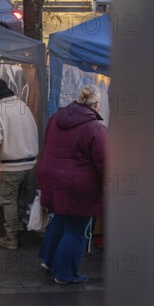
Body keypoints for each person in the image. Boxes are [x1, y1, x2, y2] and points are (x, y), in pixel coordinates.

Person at [38, 85, 107, 284]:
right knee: (76, 230)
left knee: (60, 220)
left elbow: (48, 144)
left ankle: (49, 261)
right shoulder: (95, 128)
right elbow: (105, 161)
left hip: (52, 178)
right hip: (79, 185)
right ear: (96, 104)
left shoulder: (55, 118)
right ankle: (65, 274)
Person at [0, 79, 39, 250]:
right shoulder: (23, 106)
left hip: (10, 165)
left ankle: (11, 237)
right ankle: (19, 228)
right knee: (20, 197)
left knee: (8, 201)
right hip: (28, 163)